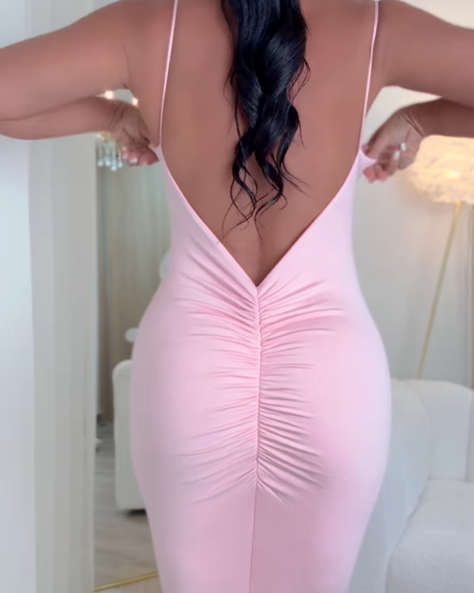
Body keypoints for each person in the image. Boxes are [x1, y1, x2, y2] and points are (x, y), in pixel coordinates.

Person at [1, 1, 474, 591]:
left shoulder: (148, 20)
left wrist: (114, 115)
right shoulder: (372, 19)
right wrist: (421, 120)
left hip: (188, 370)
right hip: (331, 378)